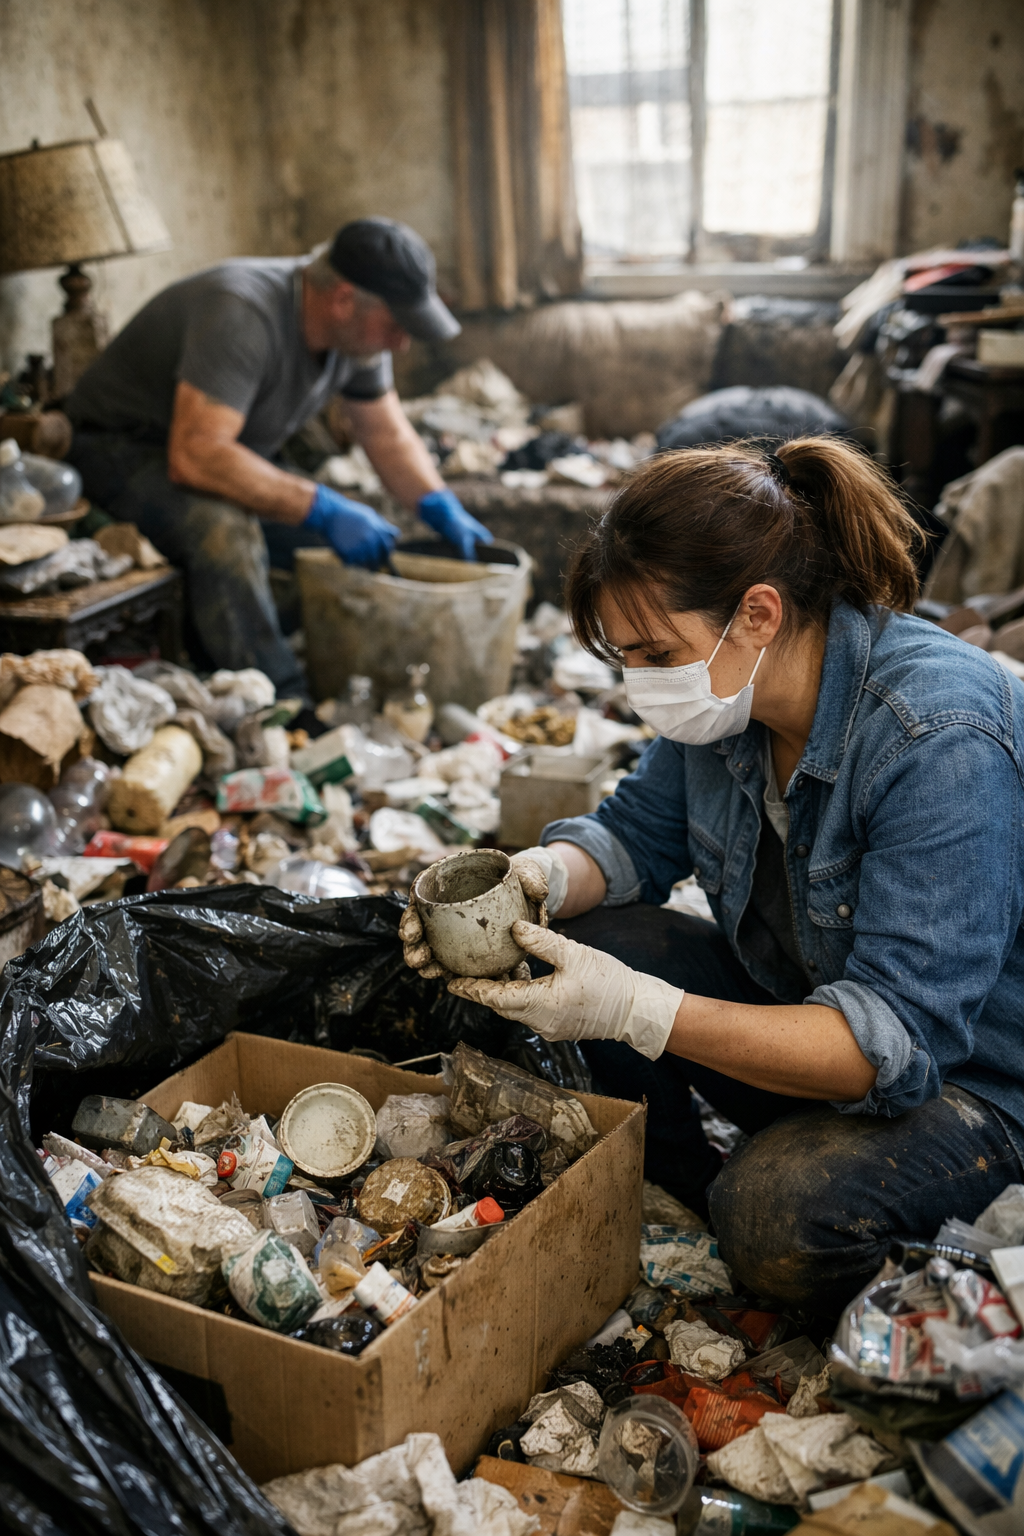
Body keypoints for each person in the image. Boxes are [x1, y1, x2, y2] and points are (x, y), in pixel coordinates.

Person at [400, 437, 1024, 1315]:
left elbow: (885, 1046)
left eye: (657, 654)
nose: (640, 683)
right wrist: (530, 883)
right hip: (816, 1016)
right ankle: (681, 1196)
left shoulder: (937, 737)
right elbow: (631, 839)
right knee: (579, 940)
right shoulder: (732, 704)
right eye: (625, 657)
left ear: (758, 614)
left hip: (978, 1088)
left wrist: (635, 1010)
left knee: (776, 1215)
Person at [64, 218, 491, 697]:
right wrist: (321, 505)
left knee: (345, 540)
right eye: (395, 325)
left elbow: (384, 432)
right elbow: (196, 455)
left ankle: (234, 645)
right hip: (117, 449)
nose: (402, 342)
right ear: (344, 299)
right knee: (224, 530)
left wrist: (438, 503)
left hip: (213, 450)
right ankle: (279, 699)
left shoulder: (356, 335)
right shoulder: (242, 312)